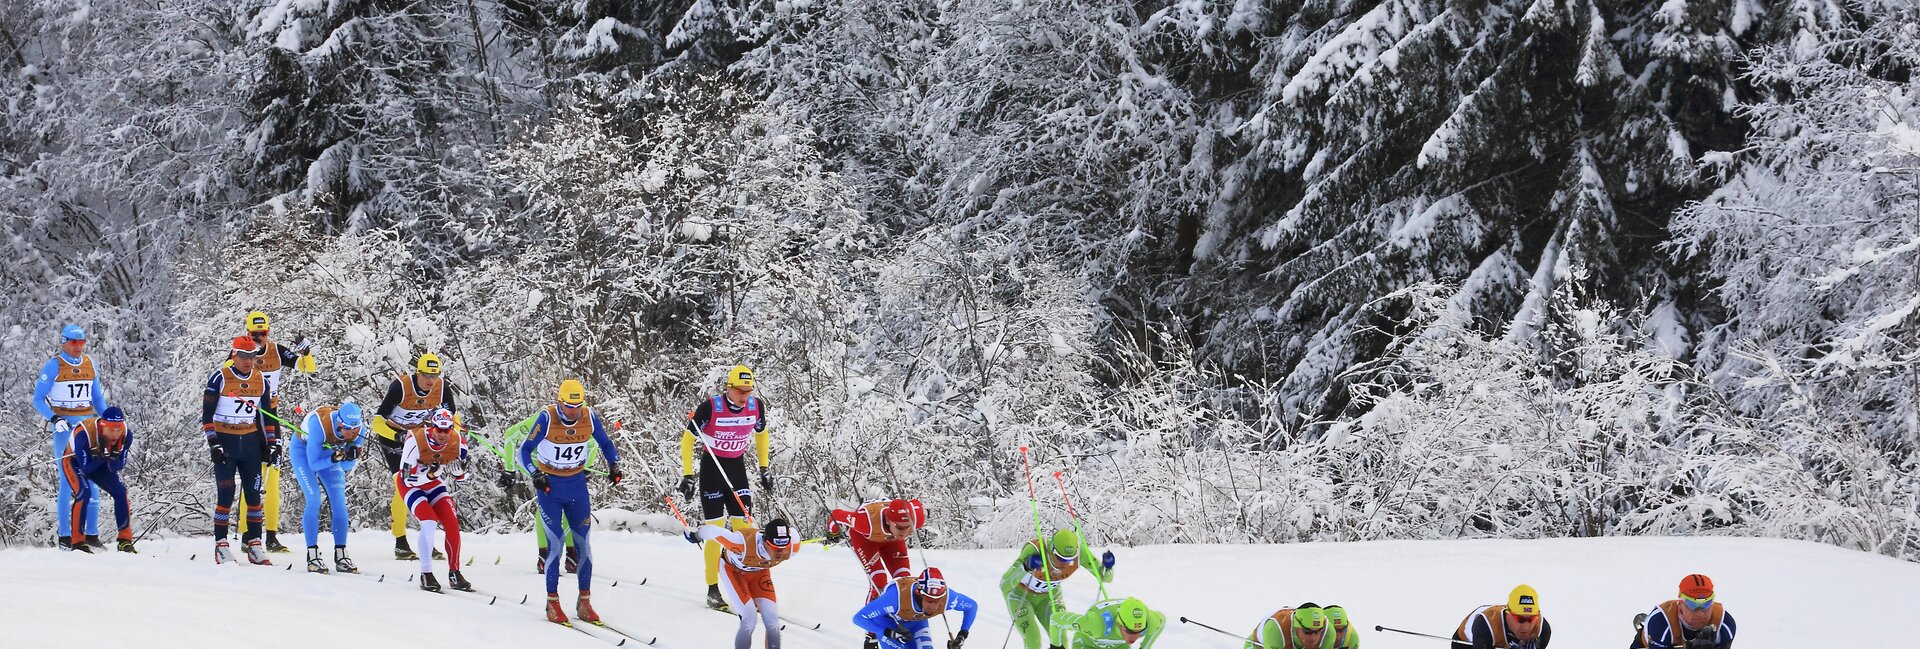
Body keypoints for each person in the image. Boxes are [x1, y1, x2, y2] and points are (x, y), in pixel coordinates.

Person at [518, 379, 622, 625]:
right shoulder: (547, 418)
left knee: (584, 545)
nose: (574, 412)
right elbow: (524, 451)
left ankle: (584, 601)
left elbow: (606, 443)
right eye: (569, 406)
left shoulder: (589, 416)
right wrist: (535, 473)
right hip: (550, 487)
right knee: (555, 545)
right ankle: (552, 602)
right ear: (560, 402)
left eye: (578, 406)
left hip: (576, 485)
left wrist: (614, 464)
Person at [679, 364, 773, 610]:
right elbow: (688, 440)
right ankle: (713, 589)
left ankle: (747, 585)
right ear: (729, 388)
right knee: (716, 531)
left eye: (749, 391)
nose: (745, 397)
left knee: (745, 532)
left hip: (736, 470)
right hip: (712, 471)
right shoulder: (711, 407)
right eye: (740, 391)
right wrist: (687, 475)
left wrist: (764, 468)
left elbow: (762, 434)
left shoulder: (756, 406)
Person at [232, 312, 312, 554]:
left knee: (273, 478)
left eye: (263, 334)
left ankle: (272, 535)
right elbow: (226, 378)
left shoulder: (277, 351)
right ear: (247, 334)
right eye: (254, 334)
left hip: (271, 418)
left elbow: (308, 367)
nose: (258, 339)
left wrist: (306, 353)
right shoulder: (240, 354)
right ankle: (247, 534)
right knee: (251, 478)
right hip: (248, 419)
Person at [203, 336, 281, 565]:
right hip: (226, 445)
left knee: (254, 495)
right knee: (226, 495)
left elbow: (267, 416)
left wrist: (272, 443)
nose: (248, 361)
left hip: (249, 445)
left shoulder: (261, 379)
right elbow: (207, 415)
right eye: (244, 356)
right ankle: (221, 545)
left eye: (252, 356)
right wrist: (213, 443)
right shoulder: (220, 377)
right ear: (234, 355)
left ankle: (255, 544)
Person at [34, 324, 107, 550]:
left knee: (93, 478)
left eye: (81, 342)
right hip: (65, 427)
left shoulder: (89, 363)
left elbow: (97, 397)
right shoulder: (54, 365)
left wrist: (109, 420)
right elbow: (38, 399)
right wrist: (54, 418)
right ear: (64, 342)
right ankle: (65, 536)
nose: (78, 346)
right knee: (68, 481)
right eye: (74, 342)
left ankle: (91, 535)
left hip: (87, 426)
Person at [374, 353, 455, 560]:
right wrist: (398, 436)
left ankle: (427, 539)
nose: (431, 381)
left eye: (435, 375)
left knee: (426, 484)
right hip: (393, 437)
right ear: (418, 373)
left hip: (419, 437)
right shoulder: (400, 387)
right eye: (427, 375)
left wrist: (454, 437)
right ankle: (400, 542)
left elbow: (452, 418)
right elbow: (377, 422)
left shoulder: (442, 388)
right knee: (403, 485)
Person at [493, 412, 589, 573]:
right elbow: (510, 435)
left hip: (566, 466)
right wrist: (509, 470)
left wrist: (587, 467)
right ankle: (545, 554)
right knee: (549, 501)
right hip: (539, 464)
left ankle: (572, 554)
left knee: (571, 503)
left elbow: (592, 445)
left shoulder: (584, 422)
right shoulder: (544, 419)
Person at [828, 497, 929, 649]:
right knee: (879, 582)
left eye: (909, 527)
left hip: (892, 540)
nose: (906, 532)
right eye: (901, 527)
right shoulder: (864, 521)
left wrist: (901, 529)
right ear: (888, 520)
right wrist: (833, 532)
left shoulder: (915, 518)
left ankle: (902, 622)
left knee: (904, 583)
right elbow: (835, 515)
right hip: (865, 538)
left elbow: (915, 504)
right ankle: (871, 634)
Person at [687, 518, 802, 649]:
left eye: (784, 546)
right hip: (733, 571)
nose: (780, 552)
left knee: (772, 620)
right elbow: (713, 531)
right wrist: (696, 535)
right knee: (749, 617)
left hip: (759, 573)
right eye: (775, 547)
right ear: (765, 541)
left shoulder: (793, 547)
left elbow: (792, 532)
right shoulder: (740, 543)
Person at [1002, 528, 1116, 649]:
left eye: (1069, 560)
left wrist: (1108, 567)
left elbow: (1105, 578)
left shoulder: (1080, 553)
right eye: (1060, 558)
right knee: (1033, 639)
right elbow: (1004, 585)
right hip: (1020, 595)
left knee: (1060, 639)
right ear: (1052, 550)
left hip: (1049, 597)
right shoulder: (1035, 549)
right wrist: (1025, 566)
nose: (1064, 564)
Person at [402, 407, 471, 592]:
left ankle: (455, 572)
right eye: (439, 429)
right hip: (411, 486)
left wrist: (459, 473)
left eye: (447, 430)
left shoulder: (458, 442)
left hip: (433, 484)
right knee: (429, 521)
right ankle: (426, 574)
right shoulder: (415, 440)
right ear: (431, 427)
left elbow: (462, 477)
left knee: (452, 522)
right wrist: (430, 475)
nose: (442, 434)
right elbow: (406, 478)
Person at [292, 401, 365, 574]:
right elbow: (314, 463)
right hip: (304, 452)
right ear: (340, 423)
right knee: (314, 499)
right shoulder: (319, 425)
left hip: (330, 454)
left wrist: (348, 457)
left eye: (355, 429)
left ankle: (341, 554)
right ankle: (312, 555)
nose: (352, 434)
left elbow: (346, 467)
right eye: (348, 429)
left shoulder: (359, 430)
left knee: (339, 502)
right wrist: (334, 459)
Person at [59, 406, 136, 554]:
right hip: (74, 462)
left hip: (100, 462)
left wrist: (112, 456)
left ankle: (125, 541)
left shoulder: (126, 435)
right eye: (111, 430)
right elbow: (86, 467)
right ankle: (77, 543)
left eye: (118, 429)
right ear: (102, 426)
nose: (115, 434)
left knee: (120, 492)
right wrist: (103, 455)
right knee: (84, 493)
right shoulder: (83, 433)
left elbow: (119, 465)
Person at [852, 567, 978, 649]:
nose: (934, 606)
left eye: (938, 601)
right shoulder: (895, 598)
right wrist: (888, 632)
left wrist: (962, 635)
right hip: (888, 622)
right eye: (929, 601)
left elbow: (972, 607)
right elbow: (859, 618)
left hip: (917, 623)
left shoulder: (949, 598)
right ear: (919, 593)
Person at [1632, 574, 1735, 649]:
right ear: (1680, 603)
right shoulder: (1660, 623)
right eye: (1693, 605)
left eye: (1706, 604)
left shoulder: (1724, 624)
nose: (1700, 613)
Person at [1454, 585, 1552, 649]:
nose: (1526, 627)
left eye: (1532, 619)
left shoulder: (1542, 630)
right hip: (1467, 643)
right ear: (1508, 614)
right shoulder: (1485, 626)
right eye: (1520, 619)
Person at [1056, 597, 1163, 648]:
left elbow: (1161, 623)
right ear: (1119, 623)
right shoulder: (1096, 625)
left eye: (1139, 631)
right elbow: (1056, 620)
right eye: (1130, 631)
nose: (1134, 637)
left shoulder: (1150, 622)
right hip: (1088, 645)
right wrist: (1056, 645)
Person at [1247, 604, 1332, 649]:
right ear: (1296, 627)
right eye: (1307, 632)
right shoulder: (1275, 630)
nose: (1313, 638)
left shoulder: (1328, 632)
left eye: (1318, 631)